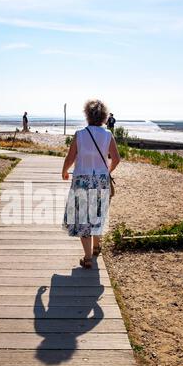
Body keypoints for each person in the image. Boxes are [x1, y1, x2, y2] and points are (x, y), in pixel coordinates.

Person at [62, 99, 120, 269]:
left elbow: (71, 158)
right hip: (101, 180)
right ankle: (96, 247)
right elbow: (116, 159)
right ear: (104, 117)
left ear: (87, 115)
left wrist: (64, 171)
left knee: (83, 218)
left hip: (82, 180)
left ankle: (88, 257)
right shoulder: (108, 134)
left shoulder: (80, 134)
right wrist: (107, 172)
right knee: (97, 214)